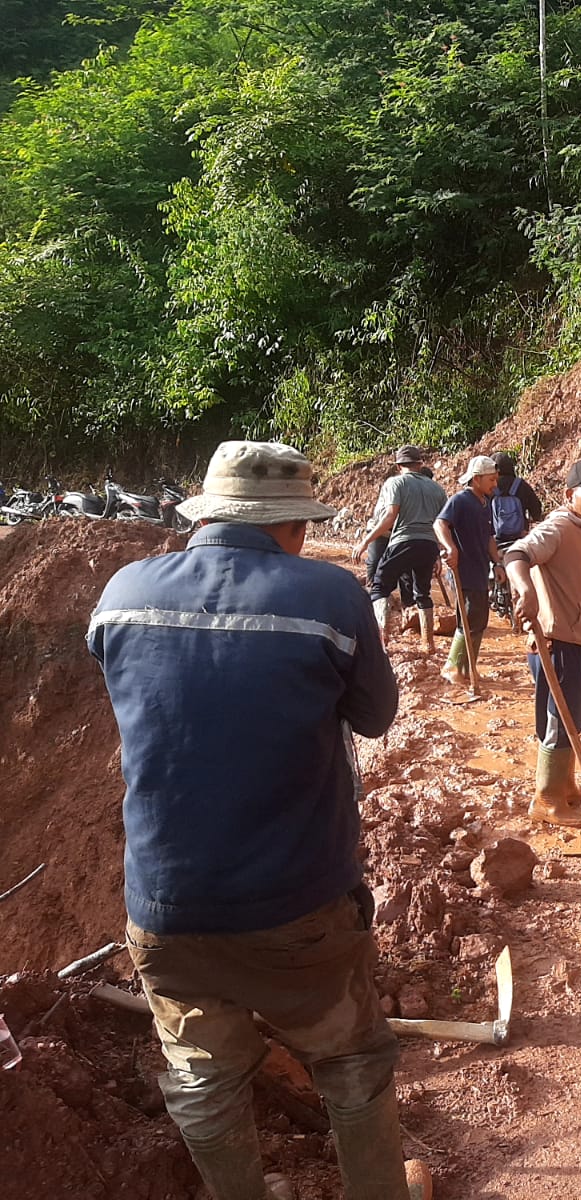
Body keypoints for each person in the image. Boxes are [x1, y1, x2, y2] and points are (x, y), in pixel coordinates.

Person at [86, 440, 426, 1200]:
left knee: (200, 1074)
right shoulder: (328, 597)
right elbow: (375, 716)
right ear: (294, 526)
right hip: (298, 902)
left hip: (164, 906)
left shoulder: (122, 591)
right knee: (352, 1061)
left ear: (204, 514)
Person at [503, 458, 581, 828]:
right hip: (555, 642)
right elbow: (516, 555)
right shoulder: (558, 527)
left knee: (575, 715)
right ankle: (547, 799)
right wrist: (526, 590)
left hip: (579, 640)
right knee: (561, 720)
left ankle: (565, 785)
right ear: (570, 494)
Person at [353, 446, 448, 654]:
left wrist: (365, 541)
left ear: (398, 466)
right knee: (422, 592)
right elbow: (442, 523)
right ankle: (428, 643)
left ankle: (382, 639)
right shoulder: (437, 488)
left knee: (380, 587)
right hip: (428, 544)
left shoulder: (395, 483)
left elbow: (389, 517)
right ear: (420, 464)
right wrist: (439, 552)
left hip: (403, 541)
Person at [434, 454, 503, 690]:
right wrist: (450, 547)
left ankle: (468, 666)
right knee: (469, 616)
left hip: (481, 569)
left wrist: (498, 563)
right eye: (491, 480)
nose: (495, 484)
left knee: (480, 619)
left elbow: (489, 538)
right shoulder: (461, 500)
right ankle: (453, 667)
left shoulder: (485, 504)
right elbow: (439, 524)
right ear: (476, 479)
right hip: (463, 570)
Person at [489, 451, 543, 551]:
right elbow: (536, 510)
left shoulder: (489, 488)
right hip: (521, 540)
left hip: (497, 543)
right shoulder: (521, 484)